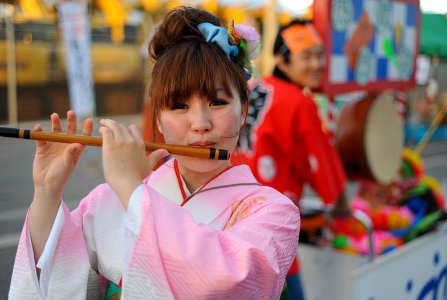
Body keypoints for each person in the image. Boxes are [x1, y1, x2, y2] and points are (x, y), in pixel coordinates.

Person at [9, 7, 300, 300]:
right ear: (158, 119)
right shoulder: (110, 200)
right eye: (179, 106)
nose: (200, 125)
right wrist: (47, 191)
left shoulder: (274, 212)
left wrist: (132, 190)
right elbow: (55, 280)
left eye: (217, 102)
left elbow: (230, 282)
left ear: (243, 110)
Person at [232, 20, 350, 300]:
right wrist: (341, 205)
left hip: (230, 215)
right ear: (282, 60)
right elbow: (321, 164)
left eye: (320, 55)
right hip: (271, 231)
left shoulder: (251, 87)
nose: (317, 64)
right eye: (306, 56)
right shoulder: (299, 101)